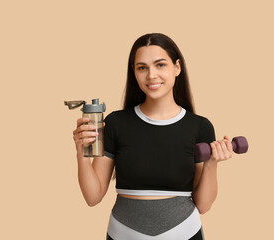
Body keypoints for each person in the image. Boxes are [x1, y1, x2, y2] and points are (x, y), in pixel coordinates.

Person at [72, 33, 234, 240]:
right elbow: (92, 197)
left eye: (160, 65)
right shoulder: (115, 123)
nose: (151, 75)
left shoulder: (199, 126)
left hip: (184, 233)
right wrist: (81, 153)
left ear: (177, 67)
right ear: (134, 72)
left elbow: (203, 205)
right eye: (142, 67)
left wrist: (212, 163)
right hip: (123, 234)